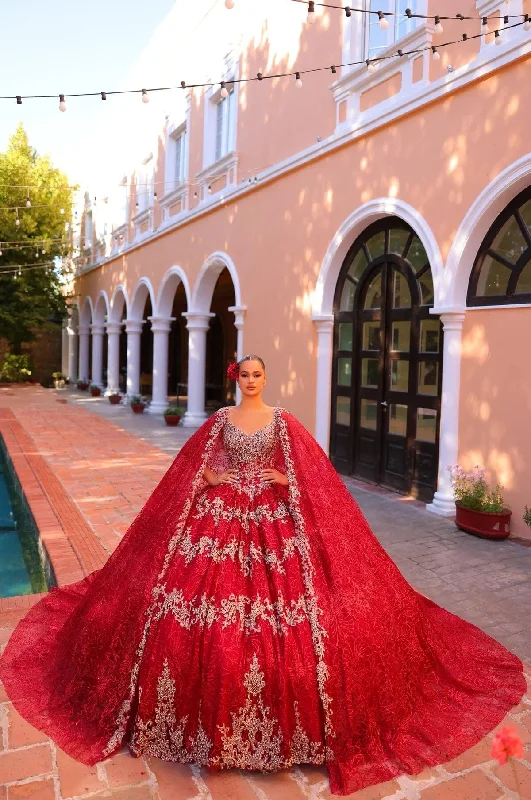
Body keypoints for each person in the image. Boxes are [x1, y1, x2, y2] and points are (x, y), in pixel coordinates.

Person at [0, 355, 525, 796]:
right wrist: (212, 477)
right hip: (221, 516)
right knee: (180, 604)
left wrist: (284, 477)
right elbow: (196, 465)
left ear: (265, 379)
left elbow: (310, 471)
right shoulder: (221, 420)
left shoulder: (283, 420)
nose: (250, 381)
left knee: (306, 611)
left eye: (257, 375)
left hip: (275, 520)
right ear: (235, 378)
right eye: (244, 374)